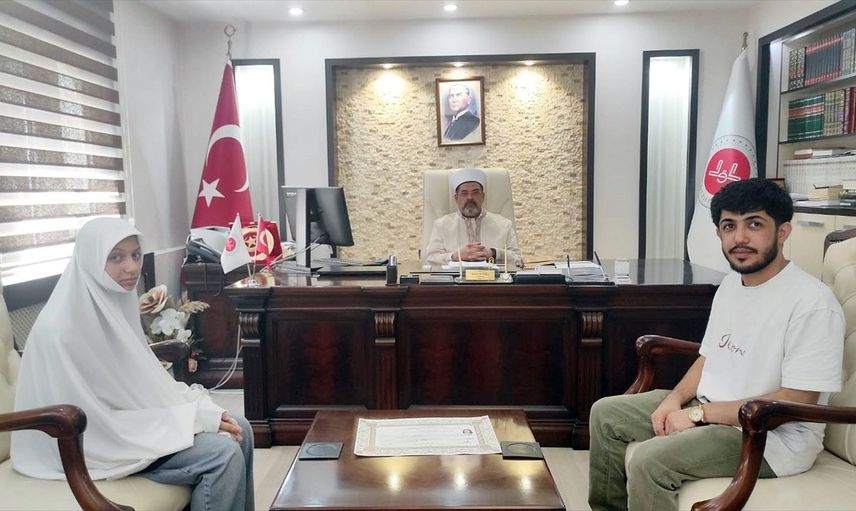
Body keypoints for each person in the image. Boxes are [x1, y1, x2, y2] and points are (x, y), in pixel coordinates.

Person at [588, 178, 844, 511]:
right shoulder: (731, 286)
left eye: (754, 224)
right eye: (729, 226)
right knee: (605, 414)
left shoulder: (813, 302)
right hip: (713, 408)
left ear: (783, 232)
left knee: (651, 461)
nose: (739, 238)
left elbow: (799, 399)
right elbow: (709, 356)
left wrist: (697, 414)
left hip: (768, 435)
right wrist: (675, 400)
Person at [11, 217, 254, 511]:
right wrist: (191, 420)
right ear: (90, 260)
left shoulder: (112, 302)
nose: (132, 267)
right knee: (222, 453)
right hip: (90, 443)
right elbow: (93, 421)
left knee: (242, 428)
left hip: (123, 427)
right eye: (116, 257)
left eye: (136, 255)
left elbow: (140, 381)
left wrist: (200, 412)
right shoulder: (60, 331)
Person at [424, 167, 523, 266]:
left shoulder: (504, 225)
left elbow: (518, 260)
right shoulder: (441, 225)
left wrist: (494, 253)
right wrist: (455, 256)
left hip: (493, 276)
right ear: (456, 198)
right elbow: (430, 259)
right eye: (464, 193)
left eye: (475, 192)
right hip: (455, 276)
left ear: (483, 196)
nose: (470, 197)